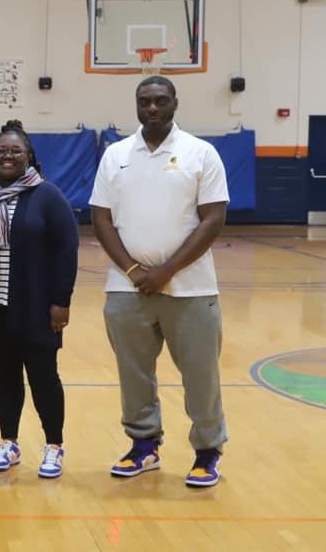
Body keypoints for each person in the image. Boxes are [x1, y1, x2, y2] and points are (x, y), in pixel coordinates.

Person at [90, 76, 229, 488]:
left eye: (160, 101)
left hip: (191, 288)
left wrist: (166, 271)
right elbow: (100, 218)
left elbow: (214, 218)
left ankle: (207, 452)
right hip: (125, 288)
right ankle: (143, 446)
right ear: (137, 105)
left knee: (200, 374)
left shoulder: (200, 153)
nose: (152, 108)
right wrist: (134, 271)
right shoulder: (115, 155)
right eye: (145, 101)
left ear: (174, 103)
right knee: (134, 372)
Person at [0, 121, 79, 479]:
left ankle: (54, 446)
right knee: (4, 377)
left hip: (36, 306)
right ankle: (9, 443)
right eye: (2, 150)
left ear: (29, 156)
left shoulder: (47, 195)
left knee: (44, 377)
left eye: (16, 150)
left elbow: (67, 249)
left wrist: (61, 300)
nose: (8, 156)